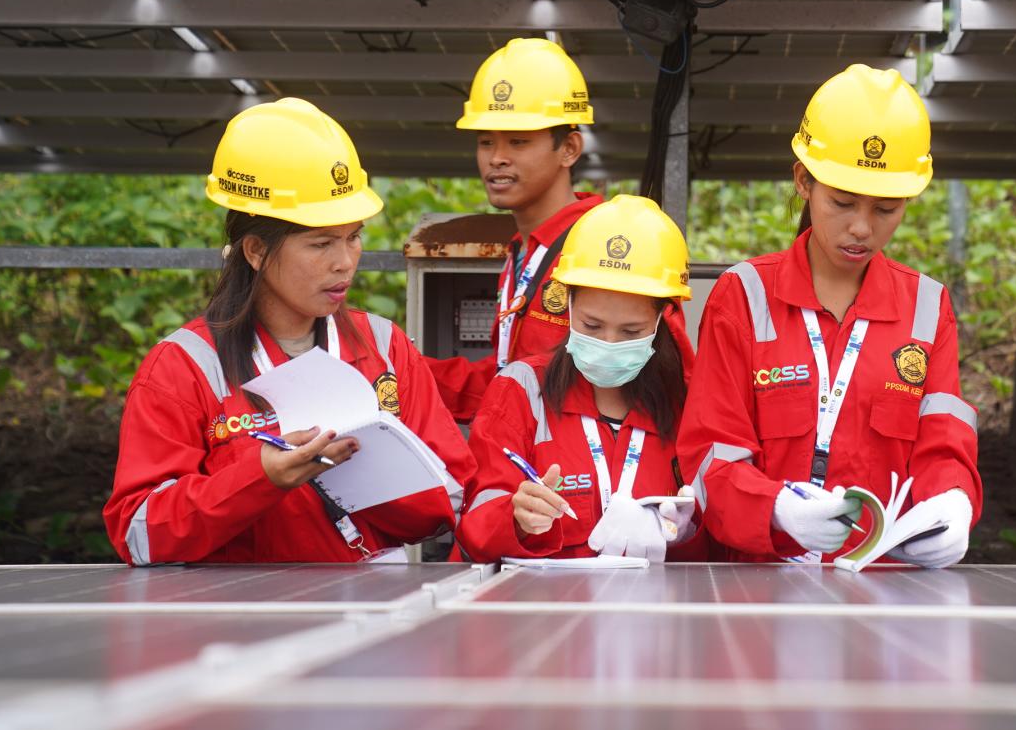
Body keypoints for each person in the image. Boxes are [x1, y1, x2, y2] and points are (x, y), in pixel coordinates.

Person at [104, 99, 474, 564]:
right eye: (321, 243)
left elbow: (455, 501)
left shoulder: (383, 347)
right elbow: (139, 532)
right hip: (241, 626)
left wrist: (367, 475)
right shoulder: (184, 367)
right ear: (256, 250)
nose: (345, 261)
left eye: (354, 236)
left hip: (374, 619)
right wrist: (260, 480)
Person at [678, 64, 982, 566]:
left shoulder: (927, 309)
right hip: (760, 592)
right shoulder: (744, 297)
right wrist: (774, 508)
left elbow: (943, 443)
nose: (861, 227)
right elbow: (711, 450)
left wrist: (953, 499)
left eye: (886, 209)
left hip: (882, 591)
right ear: (803, 181)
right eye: (842, 202)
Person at [458, 195, 701, 562]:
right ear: (567, 304)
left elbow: (721, 535)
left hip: (657, 612)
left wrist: (684, 529)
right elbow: (475, 531)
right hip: (547, 613)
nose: (608, 343)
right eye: (592, 325)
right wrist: (517, 517)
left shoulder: (687, 404)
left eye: (631, 330)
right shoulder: (521, 390)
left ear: (662, 318)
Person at [425, 37, 603, 422]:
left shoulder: (602, 244)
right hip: (522, 465)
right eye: (486, 141)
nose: (497, 158)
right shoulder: (523, 251)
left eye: (518, 141)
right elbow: (506, 379)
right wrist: (398, 366)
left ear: (569, 148)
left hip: (577, 476)